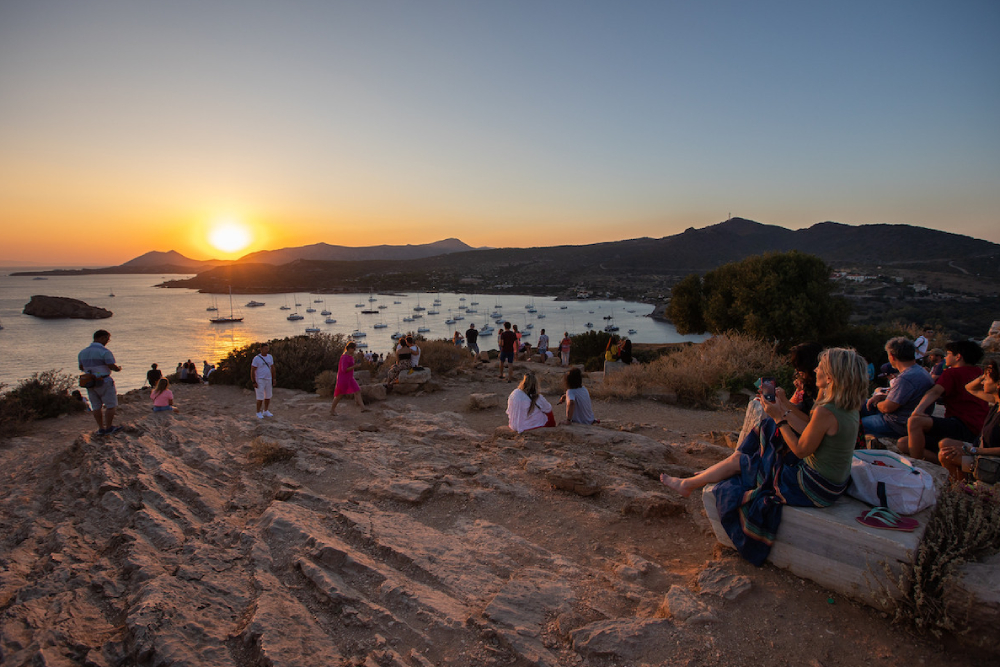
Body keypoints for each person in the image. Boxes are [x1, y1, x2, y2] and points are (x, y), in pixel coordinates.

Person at [661, 348, 868, 566]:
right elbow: (808, 427)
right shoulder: (846, 406)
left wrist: (779, 418)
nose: (815, 369)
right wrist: (784, 405)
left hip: (811, 487)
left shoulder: (827, 411)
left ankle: (690, 483)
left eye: (821, 367)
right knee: (767, 427)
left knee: (747, 457)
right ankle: (725, 467)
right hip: (834, 484)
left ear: (830, 377)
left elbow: (799, 449)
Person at [900, 340, 989, 462]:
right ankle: (944, 461)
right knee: (904, 443)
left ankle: (917, 466)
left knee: (915, 422)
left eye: (948, 354)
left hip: (963, 425)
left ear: (958, 357)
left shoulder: (952, 372)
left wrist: (917, 411)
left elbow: (934, 392)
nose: (946, 357)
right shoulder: (979, 372)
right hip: (977, 429)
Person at [859, 337, 934, 441]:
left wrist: (878, 403)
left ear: (892, 356)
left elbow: (887, 408)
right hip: (904, 417)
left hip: (896, 424)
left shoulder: (906, 377)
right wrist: (883, 397)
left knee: (856, 424)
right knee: (859, 403)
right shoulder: (920, 371)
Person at [938, 360, 1000, 481]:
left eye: (986, 379)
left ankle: (964, 489)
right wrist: (987, 374)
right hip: (982, 452)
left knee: (945, 456)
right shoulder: (997, 401)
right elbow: (970, 388)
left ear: (998, 384)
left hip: (993, 462)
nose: (982, 382)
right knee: (945, 443)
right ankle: (966, 479)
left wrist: (974, 450)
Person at [78, 329, 123, 436]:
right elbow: (111, 365)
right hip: (104, 380)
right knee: (110, 405)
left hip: (89, 382)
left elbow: (81, 367)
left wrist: (94, 370)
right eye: (107, 339)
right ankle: (109, 427)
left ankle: (100, 428)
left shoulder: (82, 352)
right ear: (102, 338)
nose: (107, 341)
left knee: (96, 406)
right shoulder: (104, 352)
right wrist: (118, 369)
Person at [330, 341, 369, 415]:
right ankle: (332, 410)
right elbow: (344, 369)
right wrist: (355, 366)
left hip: (350, 378)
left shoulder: (350, 356)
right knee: (340, 394)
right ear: (349, 348)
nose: (354, 351)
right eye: (353, 349)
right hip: (344, 378)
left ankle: (363, 408)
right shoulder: (344, 357)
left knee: (357, 391)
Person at [251, 342, 276, 419]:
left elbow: (272, 367)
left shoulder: (270, 357)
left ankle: (266, 411)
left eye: (267, 348)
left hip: (268, 379)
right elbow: (252, 370)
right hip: (260, 379)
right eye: (265, 349)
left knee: (268, 396)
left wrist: (274, 378)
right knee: (260, 397)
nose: (267, 350)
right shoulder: (256, 358)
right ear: (261, 349)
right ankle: (258, 412)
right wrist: (254, 381)